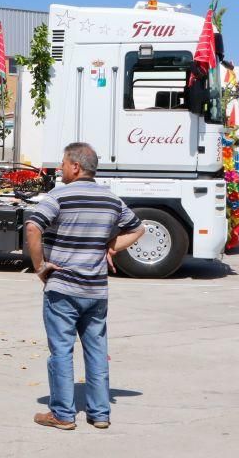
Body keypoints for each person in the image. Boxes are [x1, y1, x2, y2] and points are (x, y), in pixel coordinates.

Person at [24, 142, 145, 431]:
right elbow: (138, 228)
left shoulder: (59, 195)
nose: (60, 168)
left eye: (64, 163)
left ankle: (63, 415)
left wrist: (41, 268)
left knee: (62, 351)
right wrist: (111, 247)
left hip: (63, 289)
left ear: (75, 166)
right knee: (96, 350)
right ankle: (100, 413)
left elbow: (32, 227)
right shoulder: (111, 200)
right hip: (96, 291)